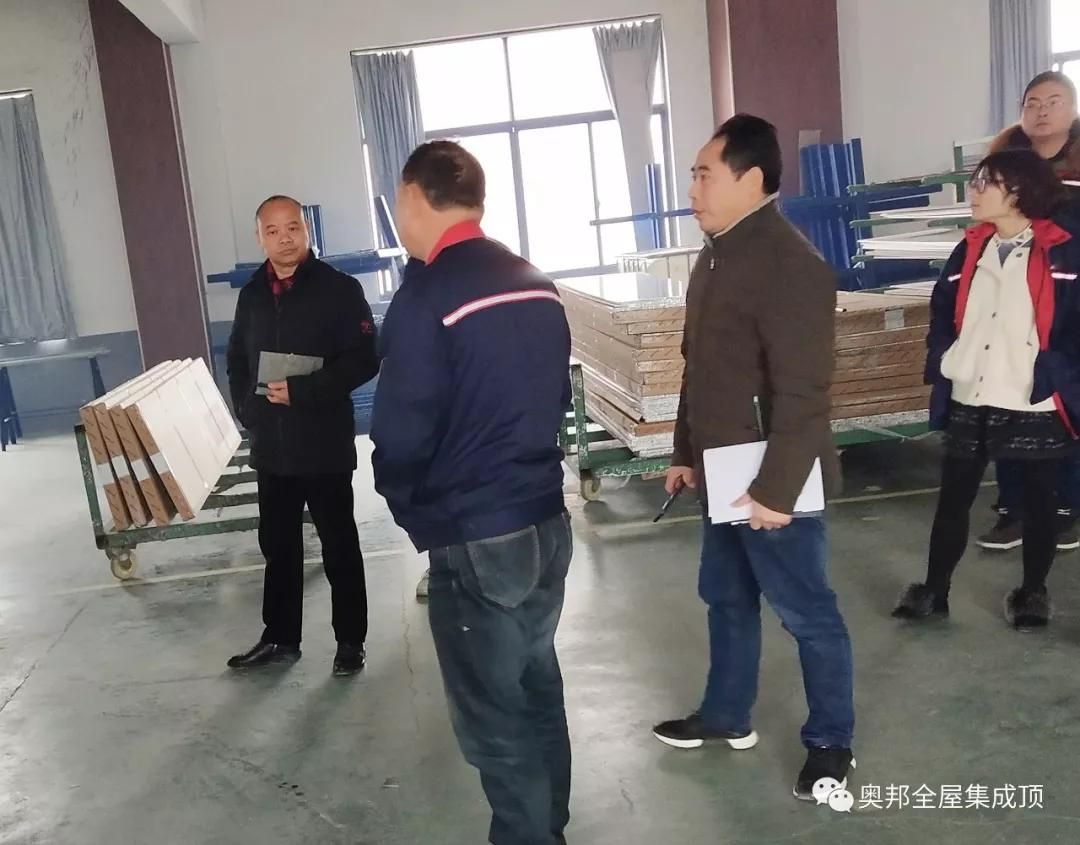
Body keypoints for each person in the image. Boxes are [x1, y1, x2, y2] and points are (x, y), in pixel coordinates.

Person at [371, 141, 573, 845]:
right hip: (545, 520)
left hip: (476, 534)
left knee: (493, 718)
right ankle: (549, 826)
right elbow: (556, 397)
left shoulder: (427, 297)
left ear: (413, 196)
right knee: (536, 685)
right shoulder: (534, 281)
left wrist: (412, 507)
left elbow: (401, 429)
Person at [651, 115, 856, 802]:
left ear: (752, 178)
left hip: (772, 479)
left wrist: (775, 491)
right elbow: (699, 368)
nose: (692, 189)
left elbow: (804, 392)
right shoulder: (715, 255)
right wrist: (685, 451)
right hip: (722, 468)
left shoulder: (791, 264)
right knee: (727, 597)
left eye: (704, 174)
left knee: (808, 612)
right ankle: (726, 714)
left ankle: (831, 742)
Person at [893, 150, 1080, 630]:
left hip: (1031, 395)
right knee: (953, 498)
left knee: (1039, 501)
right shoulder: (970, 248)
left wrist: (1059, 370)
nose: (974, 193)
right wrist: (945, 359)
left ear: (1017, 191)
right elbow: (943, 310)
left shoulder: (1060, 250)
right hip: (971, 391)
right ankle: (934, 590)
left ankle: (1033, 592)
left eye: (985, 184)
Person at [225, 195, 378, 674]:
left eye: (292, 227)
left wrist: (305, 391)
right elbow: (237, 360)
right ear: (260, 238)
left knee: (339, 545)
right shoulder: (252, 295)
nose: (284, 238)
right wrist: (248, 411)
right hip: (273, 447)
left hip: (323, 443)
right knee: (279, 547)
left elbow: (364, 359)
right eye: (272, 231)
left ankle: (349, 641)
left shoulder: (339, 289)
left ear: (306, 230)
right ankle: (280, 638)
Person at [978, 71, 1080, 553]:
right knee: (1007, 403)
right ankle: (1014, 508)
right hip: (1012, 303)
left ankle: (1066, 507)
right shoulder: (1002, 167)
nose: (1042, 111)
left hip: (1069, 304)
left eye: (1053, 101)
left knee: (1064, 405)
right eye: (1032, 102)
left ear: (1072, 109)